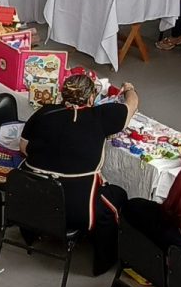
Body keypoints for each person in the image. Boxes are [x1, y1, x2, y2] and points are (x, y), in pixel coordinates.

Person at [16, 73, 136, 275]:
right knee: (118, 196)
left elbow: (23, 147)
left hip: (33, 200)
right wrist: (130, 88)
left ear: (62, 94)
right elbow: (132, 104)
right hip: (76, 209)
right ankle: (104, 261)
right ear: (92, 98)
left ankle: (32, 232)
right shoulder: (102, 116)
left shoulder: (44, 112)